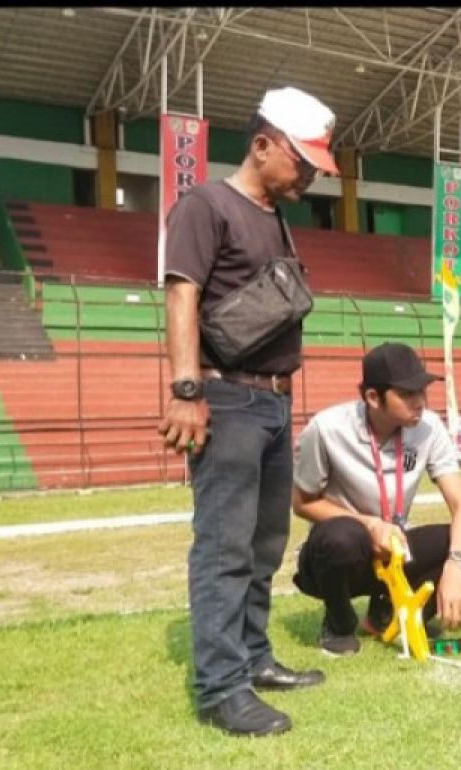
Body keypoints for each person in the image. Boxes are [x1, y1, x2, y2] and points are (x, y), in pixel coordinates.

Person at [158, 86, 339, 737]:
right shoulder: (206, 205)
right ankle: (220, 686)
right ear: (263, 144)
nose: (311, 172)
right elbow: (183, 295)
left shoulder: (275, 216)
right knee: (225, 546)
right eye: (302, 159)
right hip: (228, 396)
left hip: (272, 402)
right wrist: (186, 391)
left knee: (264, 544)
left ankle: (254, 657)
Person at [291, 342, 461, 656]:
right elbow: (302, 502)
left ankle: (389, 614)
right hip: (344, 554)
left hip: (396, 550)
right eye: (407, 394)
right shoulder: (326, 428)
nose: (420, 402)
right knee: (341, 538)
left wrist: (455, 568)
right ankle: (338, 622)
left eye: (422, 391)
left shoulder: (429, 427)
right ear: (373, 397)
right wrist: (370, 524)